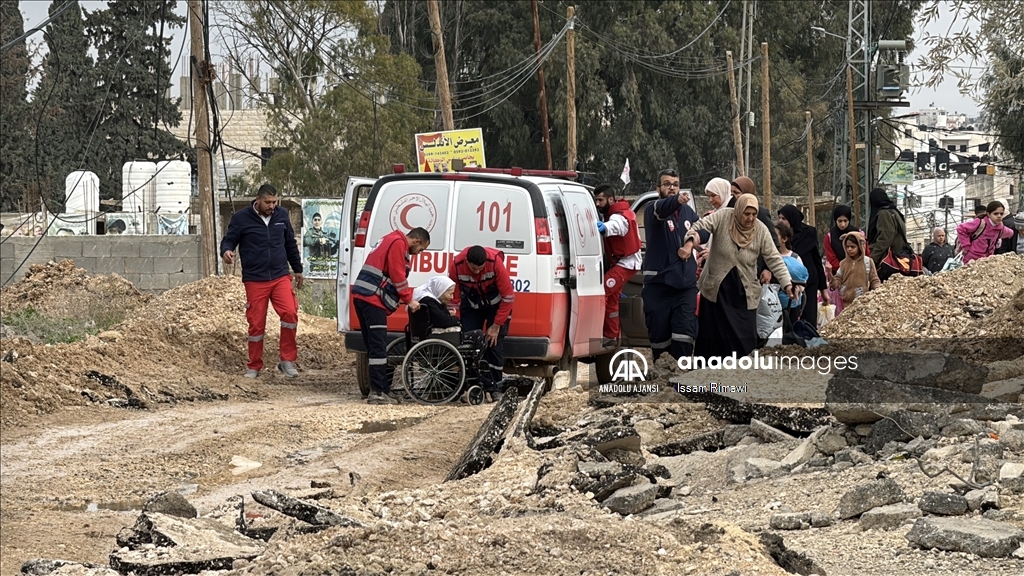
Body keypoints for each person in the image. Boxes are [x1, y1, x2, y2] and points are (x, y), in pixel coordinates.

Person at [683, 194, 794, 358]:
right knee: (711, 343)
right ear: (738, 210)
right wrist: (691, 241)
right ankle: (709, 379)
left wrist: (787, 283)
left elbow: (774, 259)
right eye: (746, 214)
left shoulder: (761, 230)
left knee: (743, 345)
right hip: (716, 294)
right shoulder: (723, 217)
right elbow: (701, 227)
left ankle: (741, 378)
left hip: (743, 295)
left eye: (754, 214)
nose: (750, 219)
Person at [220, 184, 304, 379]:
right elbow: (229, 240)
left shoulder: (282, 216)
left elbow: (290, 244)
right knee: (256, 325)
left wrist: (298, 269)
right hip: (255, 279)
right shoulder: (241, 219)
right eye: (268, 202)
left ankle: (287, 360)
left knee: (290, 313)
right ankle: (254, 366)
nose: (272, 206)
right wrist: (226, 251)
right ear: (258, 200)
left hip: (280, 275)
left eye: (275, 202)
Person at [353, 227, 431, 404]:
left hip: (363, 296)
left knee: (373, 346)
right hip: (373, 299)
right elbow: (397, 274)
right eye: (421, 249)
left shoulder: (389, 238)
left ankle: (382, 390)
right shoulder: (398, 244)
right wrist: (409, 300)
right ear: (417, 241)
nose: (419, 253)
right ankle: (378, 393)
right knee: (378, 347)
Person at [641, 169, 699, 368]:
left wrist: (690, 243)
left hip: (685, 288)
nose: (672, 187)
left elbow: (703, 230)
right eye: (667, 184)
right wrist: (677, 201)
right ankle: (663, 384)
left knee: (684, 337)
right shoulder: (652, 210)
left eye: (675, 183)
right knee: (660, 341)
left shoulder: (688, 212)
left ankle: (681, 384)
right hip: (658, 287)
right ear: (658, 188)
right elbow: (662, 208)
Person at [450, 245, 515, 402]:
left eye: (480, 268)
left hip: (497, 307)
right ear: (467, 261)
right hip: (472, 306)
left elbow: (508, 297)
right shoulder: (457, 265)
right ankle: (471, 387)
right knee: (468, 344)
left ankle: (495, 388)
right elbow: (453, 295)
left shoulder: (495, 263)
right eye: (473, 268)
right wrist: (454, 319)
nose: (477, 272)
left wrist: (497, 325)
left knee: (494, 343)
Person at [594, 183, 643, 347]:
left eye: (601, 200)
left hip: (627, 263)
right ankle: (611, 336)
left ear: (611, 199)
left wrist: (603, 227)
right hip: (626, 262)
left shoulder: (618, 216)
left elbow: (617, 226)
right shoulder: (622, 212)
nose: (598, 204)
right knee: (613, 299)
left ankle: (602, 333)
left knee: (602, 292)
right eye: (596, 200)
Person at [777, 205, 829, 328]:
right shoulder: (778, 236)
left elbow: (816, 260)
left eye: (784, 218)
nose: (780, 221)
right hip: (787, 283)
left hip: (808, 283)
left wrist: (823, 289)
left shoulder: (809, 232)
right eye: (779, 218)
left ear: (792, 219)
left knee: (808, 319)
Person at [726, 176, 780, 284]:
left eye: (736, 193)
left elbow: (773, 243)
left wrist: (768, 269)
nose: (733, 197)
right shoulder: (728, 213)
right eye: (731, 193)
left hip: (754, 272)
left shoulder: (760, 213)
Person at [828, 231, 881, 309]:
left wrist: (878, 290)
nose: (849, 249)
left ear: (860, 246)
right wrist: (831, 277)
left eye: (852, 247)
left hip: (861, 304)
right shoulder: (843, 263)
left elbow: (874, 279)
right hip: (844, 304)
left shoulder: (868, 262)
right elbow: (838, 280)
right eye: (847, 246)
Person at [867, 188, 910, 273]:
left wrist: (872, 259)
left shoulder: (884, 213)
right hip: (899, 257)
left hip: (889, 260)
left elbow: (885, 239)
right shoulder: (895, 211)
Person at [774, 222, 808, 325]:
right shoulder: (771, 257)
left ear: (785, 239)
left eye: (776, 235)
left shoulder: (795, 257)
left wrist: (798, 289)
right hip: (774, 303)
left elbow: (803, 280)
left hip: (792, 303)